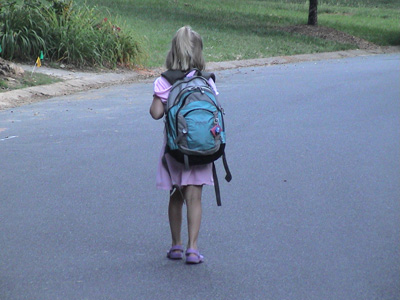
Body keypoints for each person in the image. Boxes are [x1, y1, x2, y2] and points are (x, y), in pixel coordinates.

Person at [149, 26, 218, 264]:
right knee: (195, 198)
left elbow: (155, 113)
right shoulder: (206, 81)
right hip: (201, 150)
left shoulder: (165, 80)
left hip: (176, 152)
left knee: (176, 197)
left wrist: (161, 97)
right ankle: (193, 248)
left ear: (173, 51)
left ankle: (176, 246)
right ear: (198, 53)